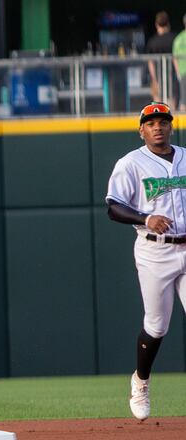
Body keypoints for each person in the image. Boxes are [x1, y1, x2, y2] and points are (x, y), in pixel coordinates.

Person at [105, 102, 186, 421]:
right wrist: (145, 217)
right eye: (150, 123)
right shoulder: (131, 163)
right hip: (155, 251)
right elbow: (113, 206)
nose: (157, 127)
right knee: (157, 325)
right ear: (141, 131)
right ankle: (141, 382)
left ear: (171, 126)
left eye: (163, 121)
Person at [146, 11, 179, 108]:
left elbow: (150, 62)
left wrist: (154, 78)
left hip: (157, 77)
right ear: (168, 24)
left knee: (157, 105)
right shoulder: (175, 39)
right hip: (172, 77)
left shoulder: (152, 41)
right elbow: (176, 58)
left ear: (156, 25)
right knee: (172, 105)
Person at [173, 14, 186, 111]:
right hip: (183, 72)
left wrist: (178, 72)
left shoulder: (178, 39)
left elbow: (174, 57)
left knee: (183, 99)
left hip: (182, 72)